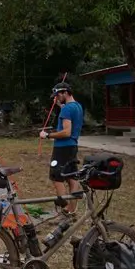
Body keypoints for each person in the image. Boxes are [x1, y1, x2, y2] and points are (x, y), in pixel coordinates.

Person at [39, 82, 84, 217]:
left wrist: (47, 135)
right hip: (72, 147)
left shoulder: (66, 110)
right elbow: (71, 119)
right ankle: (72, 210)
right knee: (72, 177)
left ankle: (65, 209)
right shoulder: (77, 106)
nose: (57, 98)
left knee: (56, 176)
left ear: (65, 93)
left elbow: (66, 132)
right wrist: (61, 106)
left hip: (62, 148)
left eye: (58, 95)